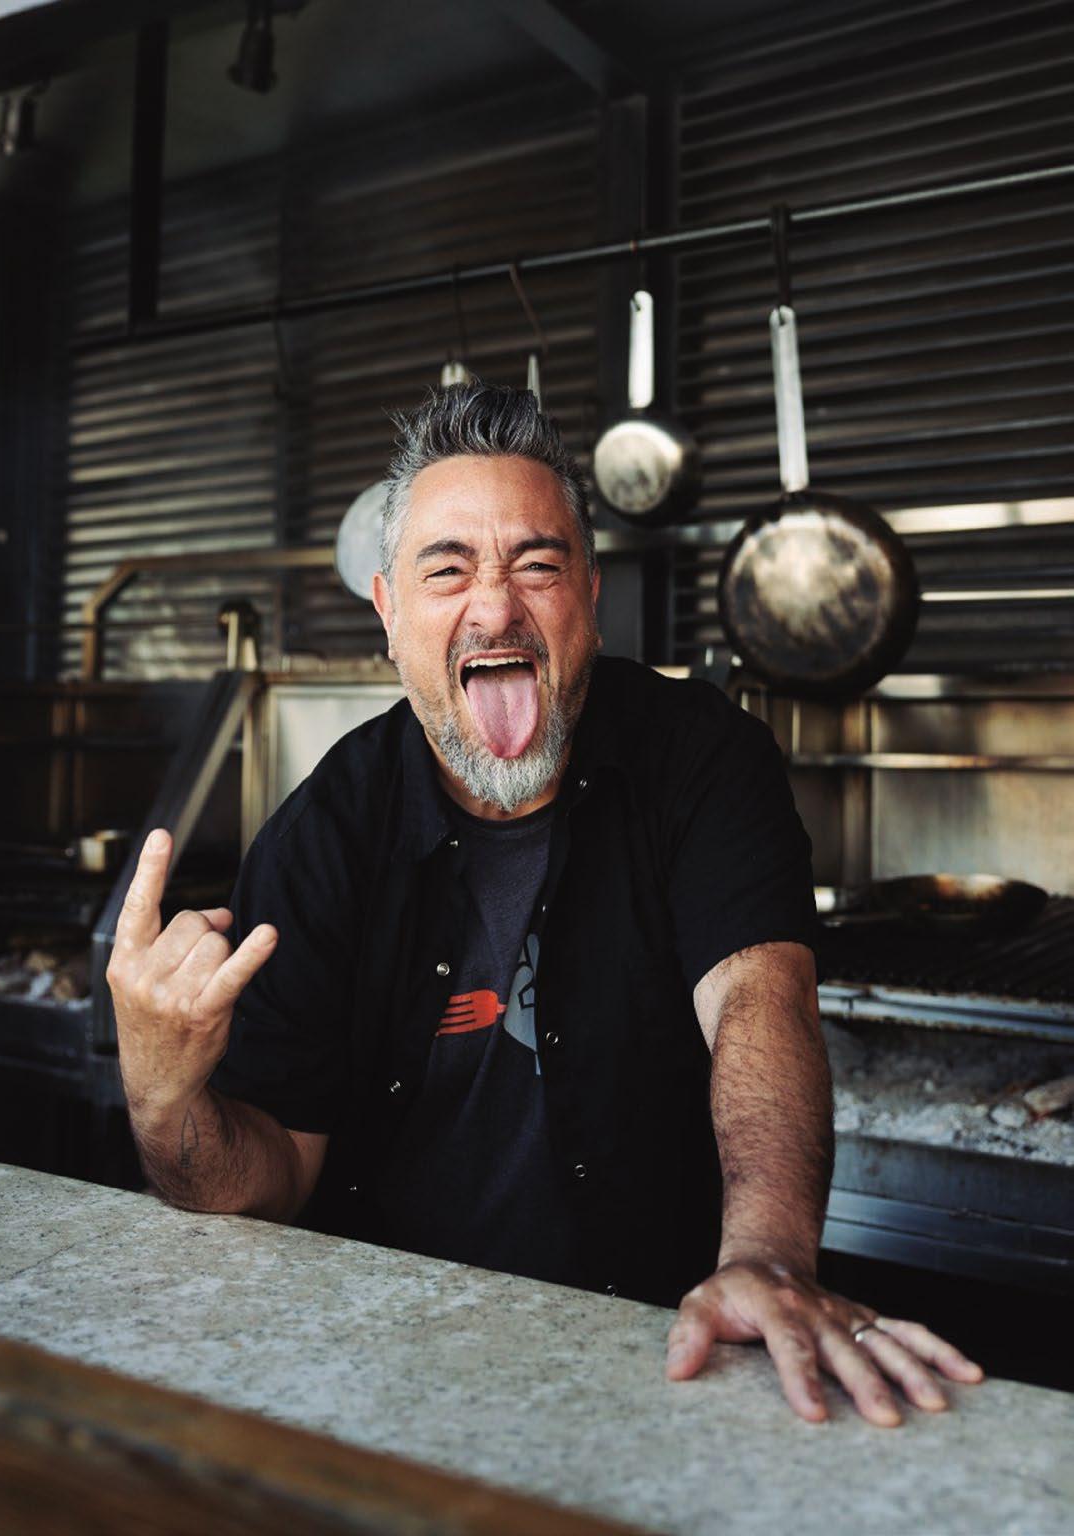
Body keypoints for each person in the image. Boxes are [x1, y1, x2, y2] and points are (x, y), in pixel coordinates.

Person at [108, 382, 983, 1428]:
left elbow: (760, 999)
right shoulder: (322, 833)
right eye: (447, 570)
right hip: (383, 1356)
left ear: (590, 597)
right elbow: (273, 1180)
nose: (494, 608)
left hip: (660, 1350)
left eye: (536, 564)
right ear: (387, 611)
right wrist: (162, 1098)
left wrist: (765, 1256)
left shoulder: (700, 757)